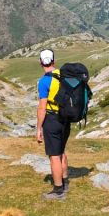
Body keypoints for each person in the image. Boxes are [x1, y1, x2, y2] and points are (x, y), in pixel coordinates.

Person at [36, 49, 70, 200]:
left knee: (54, 156)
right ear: (54, 61)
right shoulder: (63, 75)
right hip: (65, 119)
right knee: (61, 151)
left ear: (41, 63)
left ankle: (58, 190)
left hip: (52, 120)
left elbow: (42, 108)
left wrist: (39, 128)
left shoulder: (44, 81)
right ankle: (65, 182)